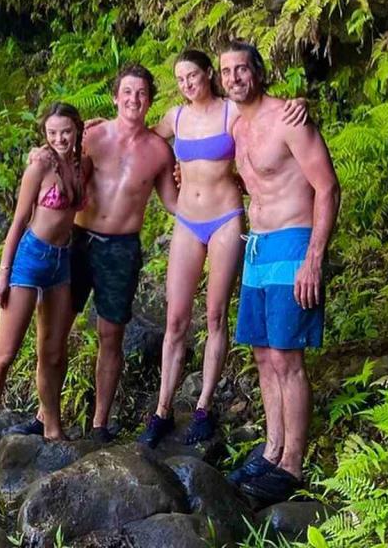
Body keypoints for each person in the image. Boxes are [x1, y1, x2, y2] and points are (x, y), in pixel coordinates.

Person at [138, 51, 307, 448]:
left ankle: (203, 404)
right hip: (187, 219)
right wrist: (96, 130)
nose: (187, 84)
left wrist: (301, 103)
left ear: (209, 75)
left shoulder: (231, 111)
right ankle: (162, 408)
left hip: (225, 219)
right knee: (176, 318)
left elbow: (268, 117)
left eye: (193, 76)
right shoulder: (175, 118)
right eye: (180, 79)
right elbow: (140, 137)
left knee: (215, 314)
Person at [10, 64, 179, 441]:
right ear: (116, 96)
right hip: (77, 241)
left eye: (141, 93)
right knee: (55, 330)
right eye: (127, 92)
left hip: (121, 248)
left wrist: (210, 188)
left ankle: (100, 423)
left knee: (110, 334)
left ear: (150, 99)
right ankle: (44, 414)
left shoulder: (158, 152)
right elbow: (56, 156)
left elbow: (173, 202)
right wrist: (38, 158)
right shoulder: (92, 136)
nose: (134, 99)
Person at [220, 40, 340, 504]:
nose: (234, 78)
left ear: (259, 72)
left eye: (242, 69)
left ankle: (292, 464)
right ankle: (272, 450)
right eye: (227, 71)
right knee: (264, 356)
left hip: (293, 242)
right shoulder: (236, 127)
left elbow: (327, 187)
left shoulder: (289, 119)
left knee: (288, 359)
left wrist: (314, 258)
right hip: (257, 248)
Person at [0, 102, 92, 485]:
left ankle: (51, 426)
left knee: (53, 351)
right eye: (52, 133)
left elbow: (104, 129)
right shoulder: (39, 165)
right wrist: (2, 273)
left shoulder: (80, 164)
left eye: (66, 132)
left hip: (61, 261)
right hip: (29, 259)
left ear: (77, 131)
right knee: (4, 353)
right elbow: (19, 220)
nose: (59, 139)